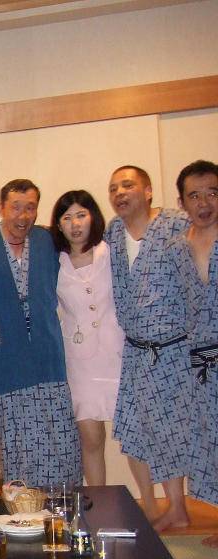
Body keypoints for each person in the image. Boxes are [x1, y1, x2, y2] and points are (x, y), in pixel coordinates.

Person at [0, 179, 82, 487]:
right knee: (19, 447)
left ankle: (64, 503)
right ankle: (24, 508)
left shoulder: (46, 240)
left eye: (30, 208)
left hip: (49, 357)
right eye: (15, 207)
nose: (23, 215)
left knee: (61, 442)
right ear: (1, 208)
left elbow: (85, 243)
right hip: (7, 360)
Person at [104, 165, 194, 531]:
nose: (119, 193)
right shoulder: (112, 232)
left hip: (174, 349)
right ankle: (155, 504)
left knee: (172, 430)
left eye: (127, 185)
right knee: (134, 429)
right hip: (135, 350)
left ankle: (178, 507)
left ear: (148, 190)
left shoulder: (176, 223)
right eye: (113, 188)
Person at [49, 190, 123, 485]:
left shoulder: (111, 251)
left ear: (93, 217)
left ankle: (152, 504)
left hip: (119, 352)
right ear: (58, 224)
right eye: (67, 218)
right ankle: (100, 501)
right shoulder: (54, 261)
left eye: (81, 215)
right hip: (80, 360)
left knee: (134, 435)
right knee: (91, 438)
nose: (75, 224)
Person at [168, 160, 218, 547]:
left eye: (213, 193)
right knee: (210, 441)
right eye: (195, 195)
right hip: (199, 360)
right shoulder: (177, 248)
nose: (204, 203)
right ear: (182, 202)